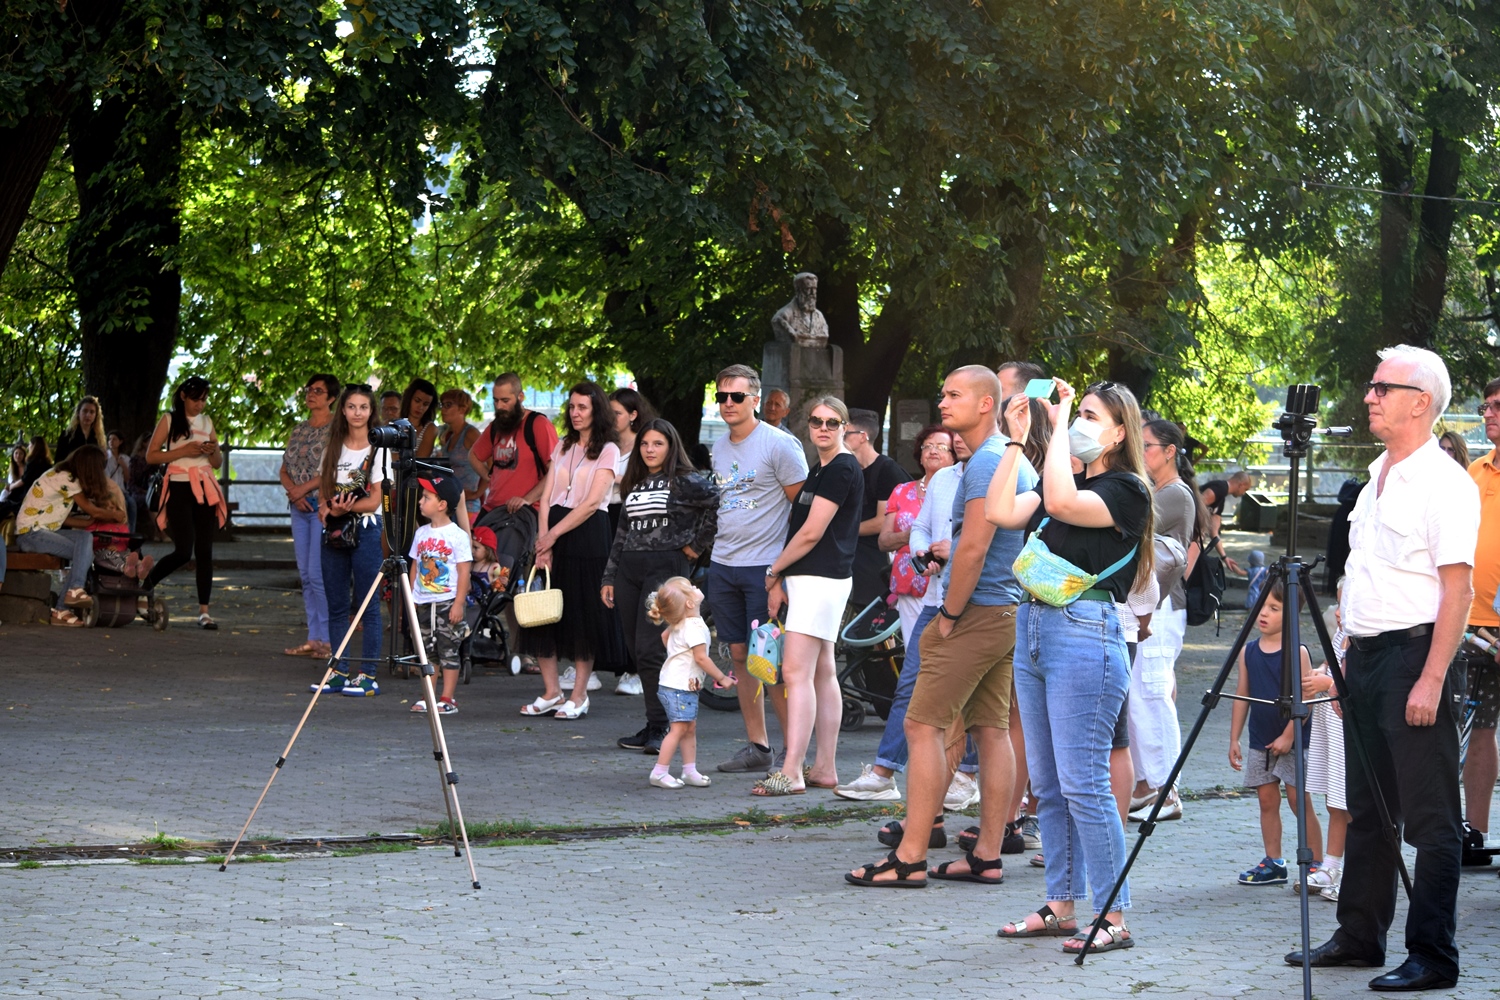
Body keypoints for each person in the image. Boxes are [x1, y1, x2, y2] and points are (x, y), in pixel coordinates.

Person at [1286, 345, 1478, 992]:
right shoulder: (1376, 476)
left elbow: (1460, 592)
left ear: (1419, 402)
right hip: (1364, 659)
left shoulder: (1446, 483)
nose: (1368, 396)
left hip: (1413, 660)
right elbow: (1358, 582)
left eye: (1380, 387)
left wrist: (1430, 677)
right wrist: (1343, 664)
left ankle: (1433, 955)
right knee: (1366, 806)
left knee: (1431, 819)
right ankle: (1360, 935)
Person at [846, 366, 1035, 889]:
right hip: (1004, 612)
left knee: (922, 726)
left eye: (954, 394)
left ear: (984, 404)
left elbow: (972, 547)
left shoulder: (985, 464)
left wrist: (947, 615)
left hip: (974, 612)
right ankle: (987, 855)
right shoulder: (1007, 458)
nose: (943, 401)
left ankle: (908, 858)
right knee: (991, 731)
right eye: (943, 392)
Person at [986, 378, 1153, 955]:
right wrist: (1015, 442)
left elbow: (1058, 504)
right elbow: (1001, 509)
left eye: (1088, 415)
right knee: (1049, 786)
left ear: (1118, 431)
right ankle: (1061, 905)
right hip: (1033, 626)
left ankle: (1113, 914)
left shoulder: (1126, 489)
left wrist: (1055, 428)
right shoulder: (1068, 476)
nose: (1076, 421)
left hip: (1085, 632)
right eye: (1074, 413)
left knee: (1085, 785)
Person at [836, 433, 972, 804]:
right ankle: (885, 771)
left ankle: (967, 774)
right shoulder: (933, 483)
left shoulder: (992, 474)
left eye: (944, 445)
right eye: (932, 445)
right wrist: (921, 551)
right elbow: (911, 532)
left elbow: (988, 540)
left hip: (973, 600)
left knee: (970, 693)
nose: (938, 450)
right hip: (923, 592)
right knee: (913, 684)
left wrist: (952, 550)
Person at [755, 397, 864, 796]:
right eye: (817, 421)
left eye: (832, 422)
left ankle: (792, 771)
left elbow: (812, 532)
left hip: (821, 580)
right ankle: (824, 768)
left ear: (845, 426)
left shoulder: (841, 468)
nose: (823, 428)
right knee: (821, 673)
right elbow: (802, 531)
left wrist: (773, 571)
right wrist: (783, 576)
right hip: (814, 579)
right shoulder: (822, 467)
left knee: (795, 674)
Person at [705, 364, 809, 773]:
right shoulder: (718, 446)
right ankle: (758, 746)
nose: (728, 404)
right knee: (737, 655)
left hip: (764, 568)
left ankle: (791, 753)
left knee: (771, 661)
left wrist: (781, 573)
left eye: (736, 396)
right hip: (723, 563)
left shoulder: (779, 445)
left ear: (755, 399)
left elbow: (802, 513)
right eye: (721, 396)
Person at [603, 418, 718, 754]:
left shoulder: (685, 481)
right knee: (638, 650)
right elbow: (622, 533)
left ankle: (665, 725)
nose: (650, 450)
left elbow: (717, 503)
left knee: (653, 649)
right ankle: (655, 723)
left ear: (671, 447)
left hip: (664, 569)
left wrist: (696, 546)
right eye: (645, 444)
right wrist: (609, 577)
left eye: (658, 444)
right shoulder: (635, 482)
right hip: (628, 570)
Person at [518, 381, 627, 720]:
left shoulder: (608, 449)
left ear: (597, 411)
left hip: (588, 534)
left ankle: (578, 695)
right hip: (554, 531)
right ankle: (552, 691)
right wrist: (543, 539)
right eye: (572, 406)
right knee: (542, 611)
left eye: (583, 407)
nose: (575, 413)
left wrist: (552, 536)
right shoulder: (563, 445)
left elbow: (594, 501)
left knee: (582, 616)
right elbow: (547, 495)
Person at [1127, 419, 1210, 823]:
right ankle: (1146, 785)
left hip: (1161, 608)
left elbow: (1127, 526)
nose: (1141, 452)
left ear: (1169, 451)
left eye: (1146, 445)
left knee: (1152, 695)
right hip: (1149, 604)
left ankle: (1166, 789)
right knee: (1139, 696)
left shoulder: (1174, 494)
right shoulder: (1161, 490)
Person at [1228, 580, 1323, 886]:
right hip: (1260, 740)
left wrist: (1289, 736)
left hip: (1292, 741)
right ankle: (1274, 861)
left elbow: (1305, 701)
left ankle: (1316, 863)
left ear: (1292, 615)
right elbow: (1242, 695)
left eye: (1274, 608)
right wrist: (1234, 738)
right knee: (1267, 800)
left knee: (1299, 801)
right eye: (1262, 605)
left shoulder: (1298, 653)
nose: (1264, 613)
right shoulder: (1248, 651)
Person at [311, 384, 393, 698]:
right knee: (336, 605)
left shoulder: (379, 448)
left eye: (363, 407)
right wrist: (327, 509)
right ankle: (338, 671)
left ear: (371, 411)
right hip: (333, 532)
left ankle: (368, 674)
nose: (357, 413)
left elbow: (375, 501)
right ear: (342, 410)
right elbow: (322, 494)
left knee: (367, 605)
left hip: (367, 530)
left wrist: (341, 507)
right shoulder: (332, 445)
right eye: (351, 407)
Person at [142, 376, 228, 630]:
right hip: (179, 485)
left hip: (205, 486)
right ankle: (147, 583)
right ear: (183, 396)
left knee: (204, 551)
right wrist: (184, 451)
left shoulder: (207, 421)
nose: (200, 405)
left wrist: (212, 449)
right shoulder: (169, 419)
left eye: (203, 400)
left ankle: (204, 611)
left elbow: (217, 463)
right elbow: (151, 456)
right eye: (195, 399)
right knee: (183, 551)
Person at [15, 445, 126, 626]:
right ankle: (71, 594)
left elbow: (62, 519)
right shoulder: (67, 478)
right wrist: (115, 515)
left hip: (43, 531)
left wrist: (88, 523)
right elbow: (93, 510)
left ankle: (62, 608)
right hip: (30, 534)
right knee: (83, 552)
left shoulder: (64, 476)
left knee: (85, 540)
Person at [1460, 377, 1500, 867]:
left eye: (1498, 406)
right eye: (1487, 405)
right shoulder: (1475, 471)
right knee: (1477, 729)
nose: (1488, 412)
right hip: (1473, 626)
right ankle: (1474, 832)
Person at [645, 576, 735, 788]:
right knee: (678, 729)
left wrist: (675, 654)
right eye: (691, 588)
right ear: (690, 603)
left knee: (688, 727)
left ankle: (689, 770)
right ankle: (659, 772)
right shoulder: (693, 626)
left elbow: (665, 637)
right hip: (679, 687)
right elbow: (701, 658)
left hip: (676, 684)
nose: (696, 587)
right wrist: (721, 677)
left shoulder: (681, 623)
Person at [280, 374, 339, 659]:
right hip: (298, 506)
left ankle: (328, 639)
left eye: (319, 391)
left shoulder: (334, 430)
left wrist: (302, 491)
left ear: (331, 398)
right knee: (305, 574)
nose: (311, 394)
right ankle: (313, 638)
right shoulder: (299, 429)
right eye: (309, 389)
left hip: (320, 505)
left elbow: (330, 470)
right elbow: (284, 467)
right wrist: (295, 493)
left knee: (318, 574)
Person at [880, 425, 956, 644]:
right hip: (909, 582)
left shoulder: (961, 490)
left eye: (942, 447)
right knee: (914, 649)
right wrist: (913, 536)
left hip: (945, 585)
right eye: (928, 446)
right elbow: (883, 542)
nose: (933, 451)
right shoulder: (901, 491)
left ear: (954, 457)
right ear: (920, 456)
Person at [604, 386, 656, 697]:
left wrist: (609, 478)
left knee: (628, 592)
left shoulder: (644, 445)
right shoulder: (604, 445)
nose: (610, 419)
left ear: (633, 415)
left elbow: (642, 480)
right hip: (604, 514)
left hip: (633, 517)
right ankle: (604, 661)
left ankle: (633, 668)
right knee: (605, 589)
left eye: (617, 413)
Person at [406, 474, 472, 716]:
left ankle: (448, 697)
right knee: (427, 650)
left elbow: (464, 571)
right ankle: (428, 695)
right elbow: (414, 566)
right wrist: (412, 597)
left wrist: (459, 603)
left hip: (446, 603)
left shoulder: (457, 536)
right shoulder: (421, 533)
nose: (421, 502)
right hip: (423, 602)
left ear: (442, 505)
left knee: (448, 649)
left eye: (426, 497)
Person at [1302, 587, 1350, 901]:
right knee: (1335, 802)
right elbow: (1330, 662)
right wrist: (1321, 671)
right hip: (1331, 732)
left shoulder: (1362, 642)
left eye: (1344, 603)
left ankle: (1353, 876)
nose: (1336, 610)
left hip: (1348, 735)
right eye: (1337, 601)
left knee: (1351, 805)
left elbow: (1356, 684)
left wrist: (1328, 683)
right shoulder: (1341, 636)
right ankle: (1331, 865)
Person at [846, 409, 909, 611]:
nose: (840, 437)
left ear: (863, 437)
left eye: (846, 433)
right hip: (852, 553)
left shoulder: (887, 470)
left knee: (873, 617)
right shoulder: (847, 467)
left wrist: (840, 530)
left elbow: (881, 522)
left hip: (876, 558)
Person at [435, 389, 483, 518]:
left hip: (468, 507)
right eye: (442, 405)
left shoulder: (471, 434)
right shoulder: (449, 436)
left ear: (462, 409)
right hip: (450, 506)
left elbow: (491, 464)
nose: (443, 409)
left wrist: (477, 493)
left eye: (448, 405)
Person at [1201, 469, 1251, 575]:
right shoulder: (1220, 488)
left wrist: (1224, 557)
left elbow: (1214, 532)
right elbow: (1196, 504)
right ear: (1241, 484)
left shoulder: (1221, 500)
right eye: (1245, 489)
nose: (1243, 493)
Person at [54, 396, 108, 465]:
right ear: (78, 413)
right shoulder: (67, 435)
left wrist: (104, 458)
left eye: (92, 412)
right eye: (85, 411)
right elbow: (58, 461)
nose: (88, 415)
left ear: (96, 415)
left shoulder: (98, 438)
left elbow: (102, 465)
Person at [103, 430, 136, 535]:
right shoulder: (105, 457)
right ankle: (121, 533)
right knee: (124, 505)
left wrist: (123, 465)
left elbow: (127, 479)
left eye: (114, 439)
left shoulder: (125, 458)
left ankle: (131, 533)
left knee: (132, 504)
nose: (111, 441)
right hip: (109, 490)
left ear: (120, 441)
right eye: (109, 439)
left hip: (122, 490)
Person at [398, 378, 440, 458]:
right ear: (409, 398)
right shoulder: (394, 423)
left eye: (425, 404)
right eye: (417, 401)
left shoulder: (430, 429)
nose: (420, 407)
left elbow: (419, 462)